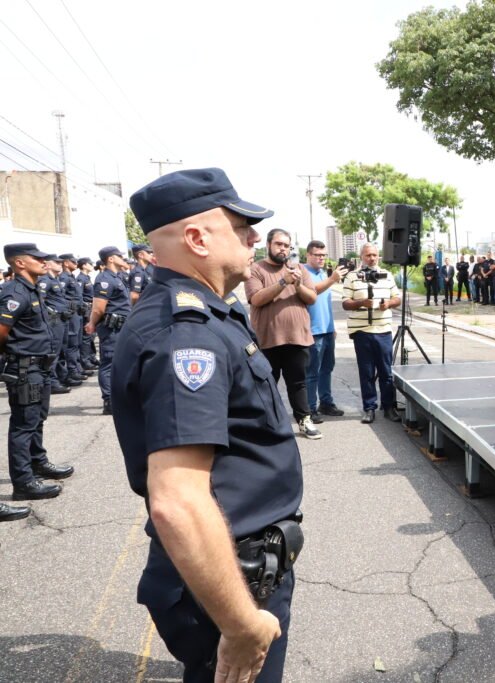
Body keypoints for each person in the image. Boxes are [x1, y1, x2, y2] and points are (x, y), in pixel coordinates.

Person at [113, 167, 301, 683]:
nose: (254, 238)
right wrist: (240, 625)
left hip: (239, 565)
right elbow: (177, 500)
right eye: (240, 228)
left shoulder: (210, 314)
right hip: (228, 578)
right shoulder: (186, 335)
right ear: (197, 238)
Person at [1, 243, 75, 508]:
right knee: (23, 425)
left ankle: (37, 463)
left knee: (36, 419)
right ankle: (23, 483)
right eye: (38, 258)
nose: (44, 262)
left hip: (40, 367)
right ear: (19, 262)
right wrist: (13, 357)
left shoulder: (32, 288)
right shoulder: (14, 292)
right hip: (25, 368)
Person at [245, 229, 322, 440]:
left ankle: (304, 420)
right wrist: (283, 282)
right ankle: (268, 425)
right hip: (268, 339)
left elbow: (312, 298)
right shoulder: (256, 269)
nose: (283, 249)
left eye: (287, 246)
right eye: (279, 244)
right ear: (268, 245)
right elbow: (256, 299)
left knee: (298, 382)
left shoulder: (299, 269)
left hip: (297, 338)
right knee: (266, 384)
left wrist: (297, 284)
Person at [342, 244, 403, 424]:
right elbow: (345, 303)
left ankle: (389, 407)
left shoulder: (387, 275)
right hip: (362, 332)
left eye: (375, 255)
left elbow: (397, 298)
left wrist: (388, 304)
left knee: (386, 372)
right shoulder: (352, 277)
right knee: (366, 372)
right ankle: (369, 408)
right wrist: (361, 302)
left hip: (383, 330)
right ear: (361, 256)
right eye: (368, 255)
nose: (372, 258)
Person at [303, 240, 345, 423]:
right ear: (308, 255)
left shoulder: (322, 274)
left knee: (327, 369)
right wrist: (332, 279)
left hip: (327, 330)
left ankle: (326, 403)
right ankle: (310, 408)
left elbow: (325, 305)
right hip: (312, 332)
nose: (321, 258)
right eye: (317, 255)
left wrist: (332, 327)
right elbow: (312, 292)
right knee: (312, 372)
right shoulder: (303, 273)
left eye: (324, 255)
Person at [86, 247, 132, 414]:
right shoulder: (104, 279)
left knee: (120, 363)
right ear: (111, 259)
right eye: (119, 256)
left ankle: (118, 397)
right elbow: (98, 308)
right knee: (109, 363)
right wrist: (92, 323)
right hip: (111, 328)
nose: (123, 258)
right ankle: (109, 400)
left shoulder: (117, 277)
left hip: (122, 326)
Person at [38, 255, 78, 392]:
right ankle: (52, 382)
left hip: (63, 319)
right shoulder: (45, 280)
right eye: (56, 262)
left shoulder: (55, 279)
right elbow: (41, 302)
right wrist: (53, 312)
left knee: (62, 350)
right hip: (55, 321)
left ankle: (63, 377)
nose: (60, 264)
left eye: (60, 262)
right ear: (48, 264)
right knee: (54, 351)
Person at [58, 253, 89, 382]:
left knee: (77, 342)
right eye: (73, 262)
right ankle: (72, 370)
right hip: (71, 313)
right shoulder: (63, 277)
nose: (76, 264)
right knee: (72, 343)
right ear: (66, 263)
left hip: (78, 312)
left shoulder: (72, 277)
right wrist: (68, 308)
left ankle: (77, 367)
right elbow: (60, 296)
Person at [76, 257, 97, 369]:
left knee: (91, 336)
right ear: (84, 265)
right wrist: (85, 308)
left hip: (91, 307)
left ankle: (91, 357)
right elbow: (79, 295)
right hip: (87, 309)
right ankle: (85, 360)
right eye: (90, 264)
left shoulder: (87, 277)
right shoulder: (80, 278)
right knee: (87, 336)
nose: (92, 266)